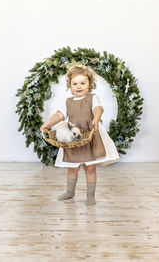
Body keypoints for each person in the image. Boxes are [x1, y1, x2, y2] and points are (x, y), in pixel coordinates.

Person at [40, 64, 119, 205]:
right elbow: (59, 115)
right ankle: (70, 192)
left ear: (90, 84)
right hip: (73, 138)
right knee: (72, 167)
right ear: (70, 85)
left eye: (83, 83)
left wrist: (96, 118)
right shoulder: (68, 102)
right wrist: (48, 124)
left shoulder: (93, 98)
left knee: (90, 168)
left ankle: (90, 196)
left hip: (90, 135)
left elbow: (98, 108)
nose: (79, 86)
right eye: (75, 83)